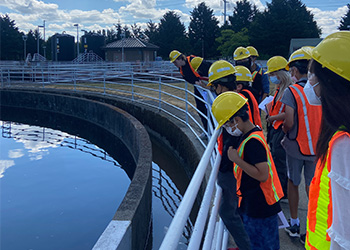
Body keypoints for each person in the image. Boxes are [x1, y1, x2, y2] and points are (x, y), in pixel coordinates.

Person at [211, 91, 284, 250]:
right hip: (254, 203)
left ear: (236, 120)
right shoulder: (251, 134)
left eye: (227, 124)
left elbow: (263, 175)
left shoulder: (253, 142)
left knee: (264, 245)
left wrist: (236, 160)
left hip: (261, 206)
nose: (228, 128)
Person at [302, 31, 350, 250]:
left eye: (314, 76)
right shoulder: (339, 134)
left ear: (333, 84)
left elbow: (344, 235)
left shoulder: (343, 145)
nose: (310, 82)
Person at [207, 60, 252, 250]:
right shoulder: (240, 99)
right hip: (236, 165)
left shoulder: (233, 105)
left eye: (215, 86)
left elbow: (233, 138)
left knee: (228, 212)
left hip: (233, 168)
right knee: (238, 209)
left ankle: (247, 247)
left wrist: (226, 164)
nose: (215, 91)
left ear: (221, 84)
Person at [281, 47, 321, 243]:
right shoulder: (321, 90)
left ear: (295, 71)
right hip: (318, 147)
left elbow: (288, 121)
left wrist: (285, 133)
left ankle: (295, 224)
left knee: (293, 183)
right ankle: (313, 227)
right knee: (313, 187)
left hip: (296, 147)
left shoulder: (292, 91)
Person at [265, 56, 293, 199]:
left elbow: (288, 112)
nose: (271, 77)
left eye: (271, 74)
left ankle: (282, 191)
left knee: (280, 161)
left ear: (279, 74)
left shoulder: (288, 90)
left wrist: (273, 118)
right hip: (275, 127)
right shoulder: (280, 88)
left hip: (281, 129)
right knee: (276, 158)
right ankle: (280, 188)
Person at [169, 50, 211, 138]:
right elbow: (187, 78)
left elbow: (208, 68)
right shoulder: (181, 69)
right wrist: (196, 82)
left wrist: (207, 82)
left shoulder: (193, 60)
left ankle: (214, 130)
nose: (174, 64)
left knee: (211, 108)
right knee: (201, 109)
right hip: (199, 88)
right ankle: (206, 130)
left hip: (208, 87)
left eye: (175, 62)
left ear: (180, 58)